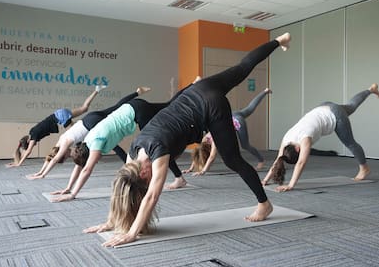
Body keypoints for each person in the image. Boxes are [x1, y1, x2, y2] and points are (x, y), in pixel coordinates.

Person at [83, 33, 291, 247]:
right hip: (197, 90)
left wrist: (132, 233)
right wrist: (111, 221)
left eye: (146, 180)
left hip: (210, 106)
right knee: (242, 68)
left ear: (144, 173)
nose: (149, 180)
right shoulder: (133, 154)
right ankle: (280, 40)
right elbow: (121, 188)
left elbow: (152, 196)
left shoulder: (158, 153)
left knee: (232, 159)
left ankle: (264, 204)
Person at [49, 80, 198, 202]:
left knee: (156, 146)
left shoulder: (96, 143)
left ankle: (179, 178)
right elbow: (81, 166)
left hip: (137, 112)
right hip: (133, 107)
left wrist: (73, 194)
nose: (97, 160)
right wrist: (68, 187)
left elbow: (87, 169)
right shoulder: (86, 142)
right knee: (168, 105)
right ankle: (193, 84)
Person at [261, 83, 379, 192]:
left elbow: (301, 163)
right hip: (324, 106)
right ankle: (370, 90)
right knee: (351, 106)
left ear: (298, 150)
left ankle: (364, 168)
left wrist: (291, 185)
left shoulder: (305, 139)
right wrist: (265, 180)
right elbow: (278, 161)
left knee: (350, 143)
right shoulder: (287, 139)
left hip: (335, 116)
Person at [25, 87, 151, 180]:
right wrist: (40, 172)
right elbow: (51, 158)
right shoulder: (60, 142)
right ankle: (137, 92)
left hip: (92, 123)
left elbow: (55, 159)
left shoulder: (63, 145)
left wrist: (43, 175)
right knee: (117, 106)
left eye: (65, 157)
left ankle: (127, 164)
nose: (68, 155)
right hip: (88, 119)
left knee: (113, 145)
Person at [6, 85, 106, 168]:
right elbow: (27, 150)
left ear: (28, 141)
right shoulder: (32, 132)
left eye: (32, 144)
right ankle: (96, 90)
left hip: (60, 117)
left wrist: (19, 163)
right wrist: (16, 161)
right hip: (59, 113)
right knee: (84, 108)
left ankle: (86, 156)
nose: (34, 144)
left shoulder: (33, 135)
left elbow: (28, 152)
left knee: (76, 133)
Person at [183, 88, 272, 176]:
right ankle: (265, 91)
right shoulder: (204, 139)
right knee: (249, 109)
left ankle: (261, 160)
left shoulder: (214, 140)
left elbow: (212, 157)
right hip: (233, 114)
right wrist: (190, 169)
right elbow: (198, 153)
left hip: (237, 121)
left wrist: (203, 171)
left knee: (245, 145)